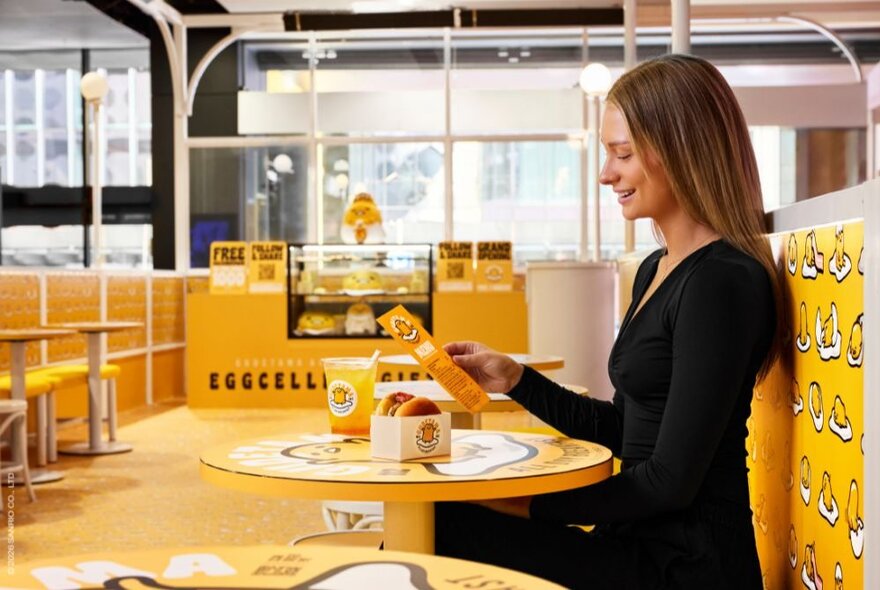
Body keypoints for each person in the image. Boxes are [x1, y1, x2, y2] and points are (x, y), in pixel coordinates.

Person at [436, 54, 787, 590]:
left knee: (447, 526)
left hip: (684, 566)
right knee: (441, 519)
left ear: (681, 150)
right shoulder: (655, 268)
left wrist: (525, 502)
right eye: (607, 153)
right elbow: (626, 429)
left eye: (621, 153)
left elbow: (669, 482)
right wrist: (516, 380)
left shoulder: (722, 283)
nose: (606, 174)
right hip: (630, 541)